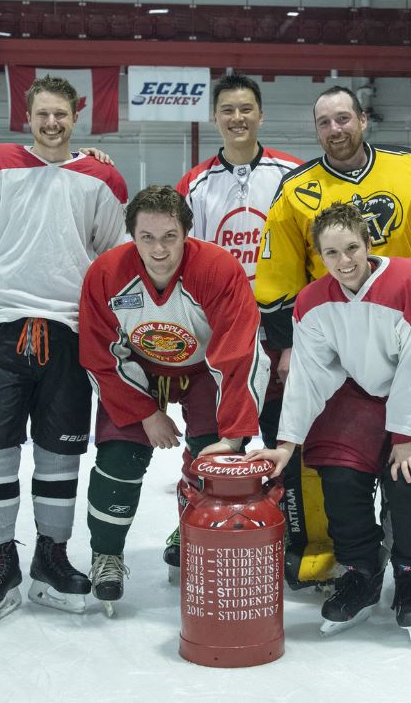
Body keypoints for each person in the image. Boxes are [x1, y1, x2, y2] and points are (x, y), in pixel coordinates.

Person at [247, 203, 411, 644]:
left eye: (352, 247)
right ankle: (361, 571)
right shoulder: (312, 301)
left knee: (407, 479)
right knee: (338, 473)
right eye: (332, 253)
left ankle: (410, 574)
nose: (345, 261)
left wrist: (405, 436)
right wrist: (286, 443)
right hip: (369, 388)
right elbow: (310, 375)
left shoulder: (410, 277)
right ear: (319, 256)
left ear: (369, 243)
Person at [253, 85, 411, 589]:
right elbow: (278, 275)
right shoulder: (297, 188)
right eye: (324, 122)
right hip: (337, 342)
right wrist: (290, 342)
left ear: (362, 120)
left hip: (408, 326)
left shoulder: (410, 171)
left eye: (344, 118)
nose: (335, 129)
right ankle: (330, 544)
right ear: (316, 130)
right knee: (333, 449)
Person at [0, 75, 128, 625]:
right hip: (2, 328)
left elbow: (114, 256)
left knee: (61, 451)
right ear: (27, 117)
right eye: (42, 115)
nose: (51, 124)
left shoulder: (100, 176)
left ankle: (51, 556)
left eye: (61, 115)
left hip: (70, 333)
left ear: (76, 116)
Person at [78, 185, 269, 615]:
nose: (159, 248)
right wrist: (146, 413)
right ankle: (106, 554)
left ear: (187, 232)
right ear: (131, 236)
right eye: (147, 237)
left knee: (214, 456)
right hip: (137, 372)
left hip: (205, 368)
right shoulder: (106, 274)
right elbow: (99, 355)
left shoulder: (217, 269)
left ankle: (194, 530)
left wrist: (236, 435)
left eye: (169, 236)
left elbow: (239, 351)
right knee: (119, 458)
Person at [168, 72, 299, 576]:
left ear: (260, 115)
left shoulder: (290, 175)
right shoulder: (196, 184)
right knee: (214, 433)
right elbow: (180, 257)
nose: (237, 118)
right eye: (228, 110)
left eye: (246, 109)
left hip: (281, 326)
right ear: (215, 117)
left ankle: (286, 531)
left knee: (281, 434)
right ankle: (196, 523)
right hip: (219, 327)